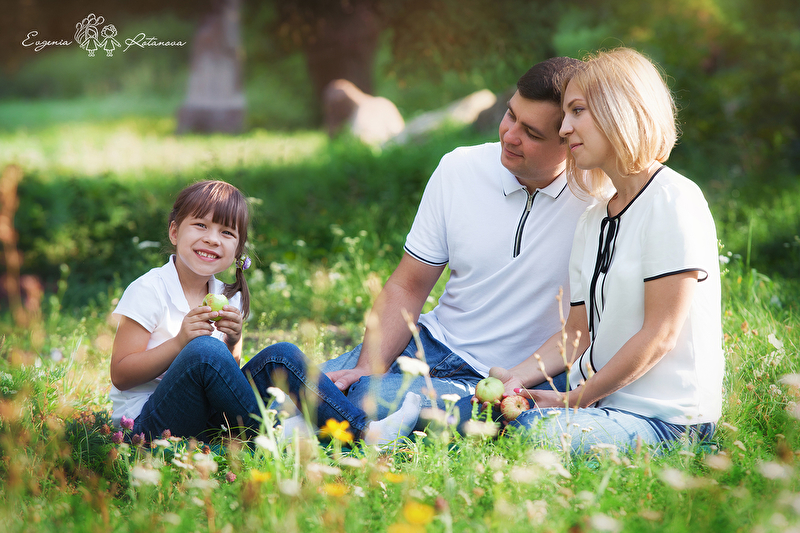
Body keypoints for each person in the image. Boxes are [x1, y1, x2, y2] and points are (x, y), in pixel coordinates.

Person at [291, 56, 593, 421]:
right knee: (288, 394)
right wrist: (369, 366)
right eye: (511, 115)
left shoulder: (599, 202)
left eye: (532, 133)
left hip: (510, 377)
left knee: (367, 402)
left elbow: (586, 331)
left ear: (569, 140)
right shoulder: (460, 168)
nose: (510, 135)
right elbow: (408, 285)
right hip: (428, 346)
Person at [472, 48, 723, 453]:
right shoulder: (593, 219)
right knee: (480, 415)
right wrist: (513, 381)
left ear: (620, 109)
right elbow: (576, 335)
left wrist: (574, 399)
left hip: (668, 420)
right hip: (603, 408)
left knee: (531, 435)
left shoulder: (673, 199)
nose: (564, 129)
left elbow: (661, 334)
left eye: (577, 111)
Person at [108, 180, 420, 444]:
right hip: (148, 424)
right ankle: (280, 433)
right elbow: (121, 375)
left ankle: (366, 433)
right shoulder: (149, 290)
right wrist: (179, 343)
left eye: (226, 232)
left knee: (281, 354)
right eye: (200, 225)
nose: (212, 239)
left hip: (205, 419)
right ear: (175, 232)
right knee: (203, 349)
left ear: (238, 249)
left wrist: (233, 340)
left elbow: (224, 380)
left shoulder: (226, 296)